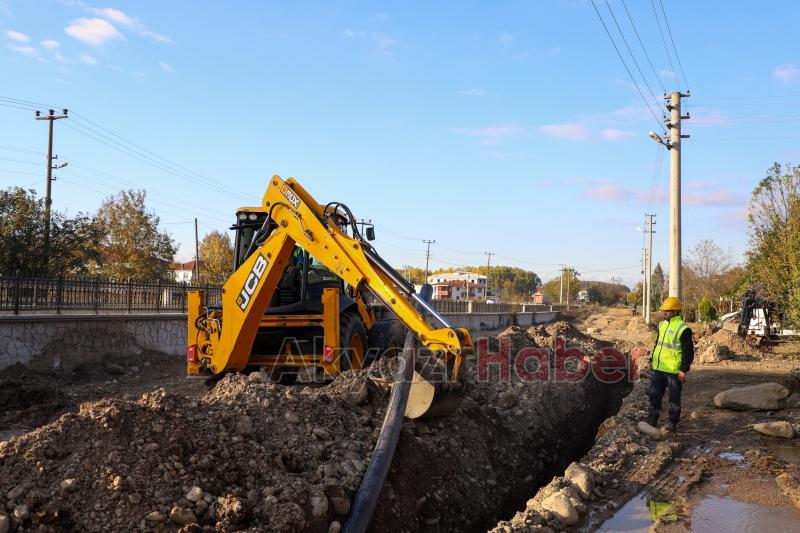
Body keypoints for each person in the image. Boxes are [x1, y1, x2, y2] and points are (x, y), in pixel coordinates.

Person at [648, 296, 694, 432]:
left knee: (673, 399)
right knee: (654, 395)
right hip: (659, 368)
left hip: (673, 371)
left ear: (675, 311)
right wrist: (653, 360)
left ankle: (672, 423)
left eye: (667, 311)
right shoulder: (662, 325)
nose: (664, 313)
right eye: (663, 310)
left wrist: (683, 370)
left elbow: (688, 353)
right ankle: (652, 419)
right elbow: (658, 345)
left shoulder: (683, 329)